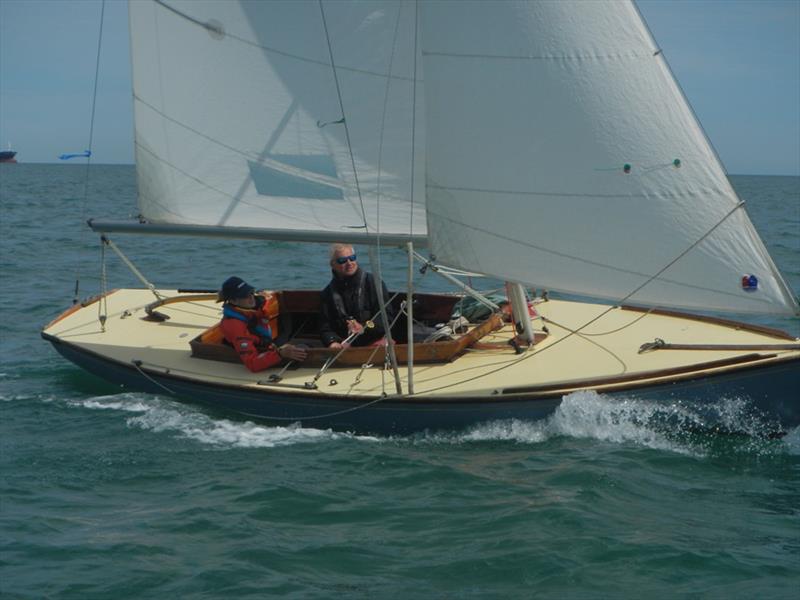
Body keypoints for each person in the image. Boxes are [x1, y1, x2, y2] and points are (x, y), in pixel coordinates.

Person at [218, 276, 307, 372]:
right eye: (245, 295)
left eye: (251, 292)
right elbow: (252, 363)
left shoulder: (252, 305)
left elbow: (265, 301)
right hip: (261, 351)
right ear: (233, 301)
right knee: (304, 349)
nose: (251, 297)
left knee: (303, 344)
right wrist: (280, 354)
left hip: (269, 343)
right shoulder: (235, 327)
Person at [319, 244, 395, 349]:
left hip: (374, 344)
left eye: (352, 258)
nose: (349, 263)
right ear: (333, 264)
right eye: (342, 260)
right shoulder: (327, 293)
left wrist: (363, 327)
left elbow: (386, 317)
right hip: (344, 346)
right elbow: (325, 327)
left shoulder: (373, 283)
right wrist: (332, 342)